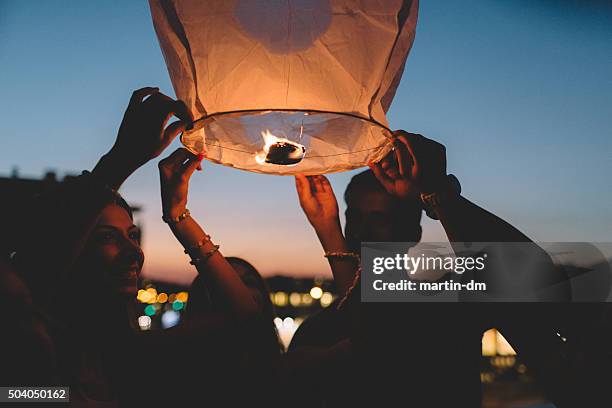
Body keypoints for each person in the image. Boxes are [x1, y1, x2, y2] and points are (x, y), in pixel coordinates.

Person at [11, 87, 277, 406]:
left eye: (133, 235)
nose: (134, 252)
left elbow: (245, 318)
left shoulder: (128, 355)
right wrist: (120, 159)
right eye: (106, 237)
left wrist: (178, 216)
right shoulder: (24, 353)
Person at [294, 130, 575, 407]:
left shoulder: (447, 304)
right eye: (354, 216)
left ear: (414, 231)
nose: (362, 229)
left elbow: (529, 275)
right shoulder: (317, 329)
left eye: (380, 218)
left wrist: (438, 195)